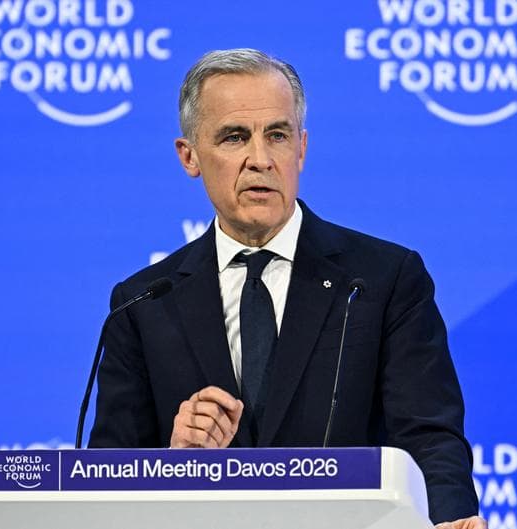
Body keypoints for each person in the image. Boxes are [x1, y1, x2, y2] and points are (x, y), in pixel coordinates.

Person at [89, 48, 483, 528]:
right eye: (235, 137)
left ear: (301, 147)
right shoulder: (144, 302)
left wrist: (451, 517)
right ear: (189, 156)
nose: (261, 160)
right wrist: (173, 461)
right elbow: (105, 477)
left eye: (277, 135)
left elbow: (428, 436)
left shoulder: (384, 278)